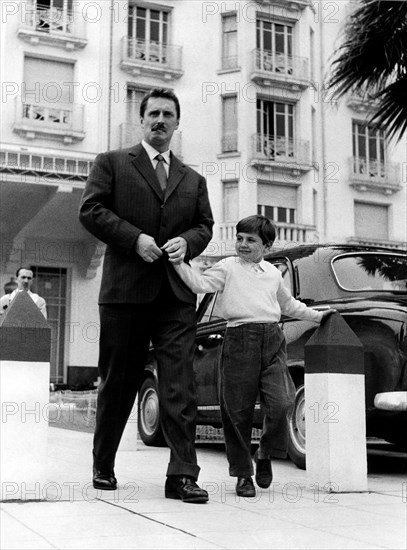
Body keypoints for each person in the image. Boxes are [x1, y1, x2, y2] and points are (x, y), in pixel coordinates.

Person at [79, 88, 213, 503]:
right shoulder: (112, 163)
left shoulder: (194, 180)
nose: (159, 120)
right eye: (153, 113)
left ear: (177, 123)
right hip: (124, 293)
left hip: (174, 296)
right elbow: (91, 210)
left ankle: (182, 476)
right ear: (141, 120)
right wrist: (134, 239)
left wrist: (187, 244)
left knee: (180, 386)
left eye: (167, 114)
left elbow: (204, 226)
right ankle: (103, 465)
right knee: (118, 383)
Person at [171, 215, 335, 498]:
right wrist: (177, 264)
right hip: (238, 340)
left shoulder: (272, 273)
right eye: (240, 239)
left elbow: (289, 305)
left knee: (282, 401)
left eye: (251, 240)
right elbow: (198, 284)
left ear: (266, 246)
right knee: (237, 412)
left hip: (272, 338)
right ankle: (243, 474)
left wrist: (318, 316)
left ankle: (266, 453)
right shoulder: (227, 267)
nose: (243, 245)